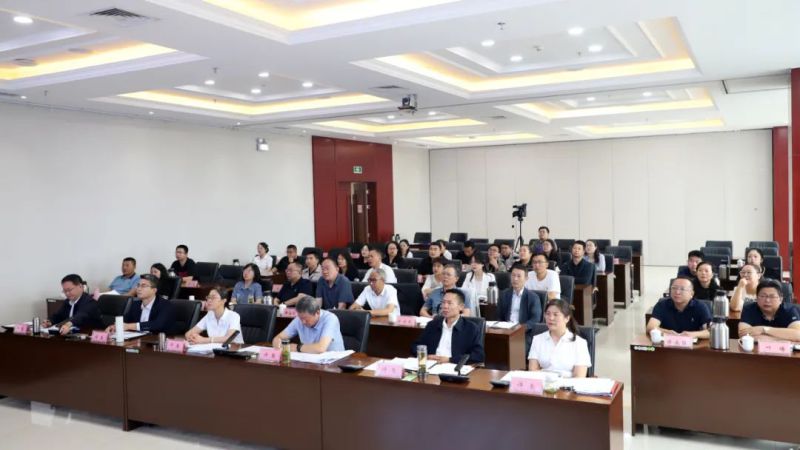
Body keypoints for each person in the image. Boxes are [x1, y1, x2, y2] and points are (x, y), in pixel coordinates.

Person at [412, 289, 485, 364]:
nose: (445, 306)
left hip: (455, 366)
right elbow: (415, 346)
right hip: (431, 365)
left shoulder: (471, 328)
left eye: (449, 303)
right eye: (443, 302)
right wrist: (426, 356)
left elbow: (478, 355)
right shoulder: (432, 325)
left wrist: (450, 360)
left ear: (461, 307)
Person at [528, 299, 591, 378]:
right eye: (548, 314)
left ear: (567, 318)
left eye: (555, 314)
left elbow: (579, 377)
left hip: (568, 385)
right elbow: (532, 371)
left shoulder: (579, 343)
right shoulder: (537, 339)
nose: (551, 318)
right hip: (543, 384)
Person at [272, 295, 345, 353]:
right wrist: (278, 344)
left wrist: (298, 347)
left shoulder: (330, 319)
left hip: (334, 362)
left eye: (306, 319)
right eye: (301, 318)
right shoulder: (299, 319)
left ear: (317, 312)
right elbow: (278, 338)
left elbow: (321, 348)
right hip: (311, 360)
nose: (303, 322)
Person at [106, 274, 175, 334]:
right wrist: (114, 326)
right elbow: (124, 320)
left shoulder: (165, 305)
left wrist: (129, 326)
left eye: (143, 286)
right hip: (138, 340)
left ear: (154, 290)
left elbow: (157, 324)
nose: (139, 289)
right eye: (138, 285)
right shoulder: (135, 304)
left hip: (157, 341)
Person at [646, 277, 711, 339]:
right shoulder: (662, 305)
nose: (677, 292)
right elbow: (650, 327)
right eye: (674, 288)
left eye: (682, 289)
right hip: (667, 343)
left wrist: (693, 334)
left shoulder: (700, 307)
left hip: (693, 344)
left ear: (691, 293)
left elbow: (709, 332)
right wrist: (667, 332)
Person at [497, 265, 542, 353]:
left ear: (526, 278)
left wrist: (521, 328)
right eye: (513, 275)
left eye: (518, 276)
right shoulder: (504, 294)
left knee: (515, 351)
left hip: (524, 333)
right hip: (506, 331)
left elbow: (535, 319)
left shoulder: (533, 297)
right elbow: (499, 316)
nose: (515, 279)